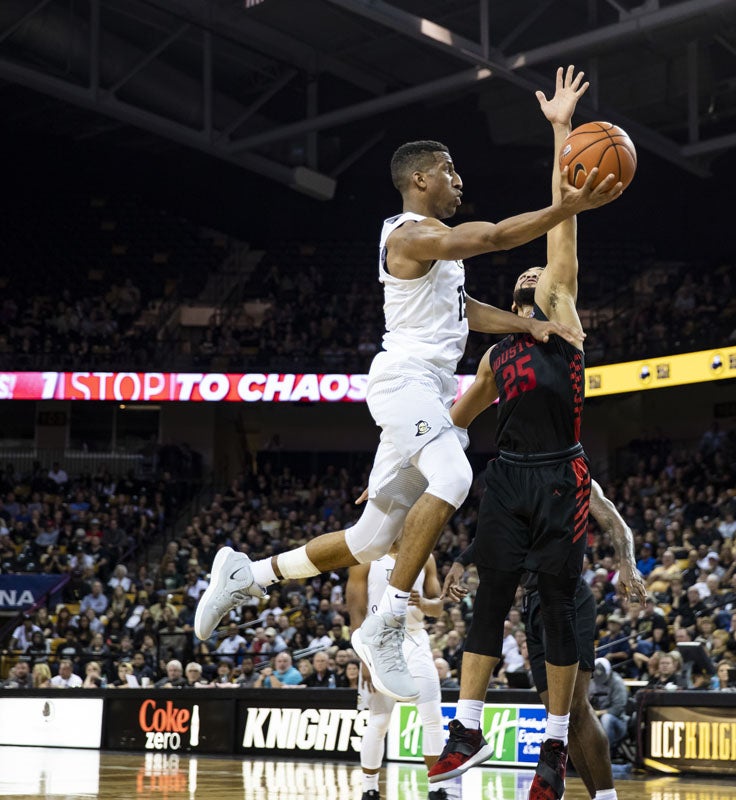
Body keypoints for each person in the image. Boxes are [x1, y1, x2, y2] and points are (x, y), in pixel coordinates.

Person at [193, 64, 622, 704]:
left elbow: (466, 310)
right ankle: (386, 622)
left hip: (418, 391)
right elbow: (496, 236)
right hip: (404, 383)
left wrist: (531, 329)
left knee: (370, 537)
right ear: (420, 180)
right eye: (450, 172)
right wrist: (566, 205)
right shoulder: (411, 234)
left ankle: (249, 574)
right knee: (455, 477)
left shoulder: (435, 259)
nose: (459, 181)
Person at [427, 66, 624, 800]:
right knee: (488, 595)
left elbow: (561, 217)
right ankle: (466, 728)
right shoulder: (493, 354)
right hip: (506, 474)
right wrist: (395, 467)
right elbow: (448, 424)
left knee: (556, 595)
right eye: (525, 274)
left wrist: (561, 132)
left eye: (540, 272)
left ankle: (552, 748)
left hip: (559, 472)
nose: (532, 275)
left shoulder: (562, 321)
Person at [443, 478, 645, 800]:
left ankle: (606, 796)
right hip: (532, 605)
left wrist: (627, 563)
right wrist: (460, 561)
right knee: (559, 716)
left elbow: (613, 520)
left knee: (575, 709)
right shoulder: (515, 479)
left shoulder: (572, 473)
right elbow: (493, 537)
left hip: (566, 597)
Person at [347, 545, 444, 800]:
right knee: (379, 721)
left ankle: (436, 788)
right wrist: (364, 660)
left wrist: (423, 602)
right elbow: (355, 613)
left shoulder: (426, 556)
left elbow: (438, 608)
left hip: (415, 640)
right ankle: (369, 788)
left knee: (432, 716)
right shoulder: (365, 556)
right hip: (378, 643)